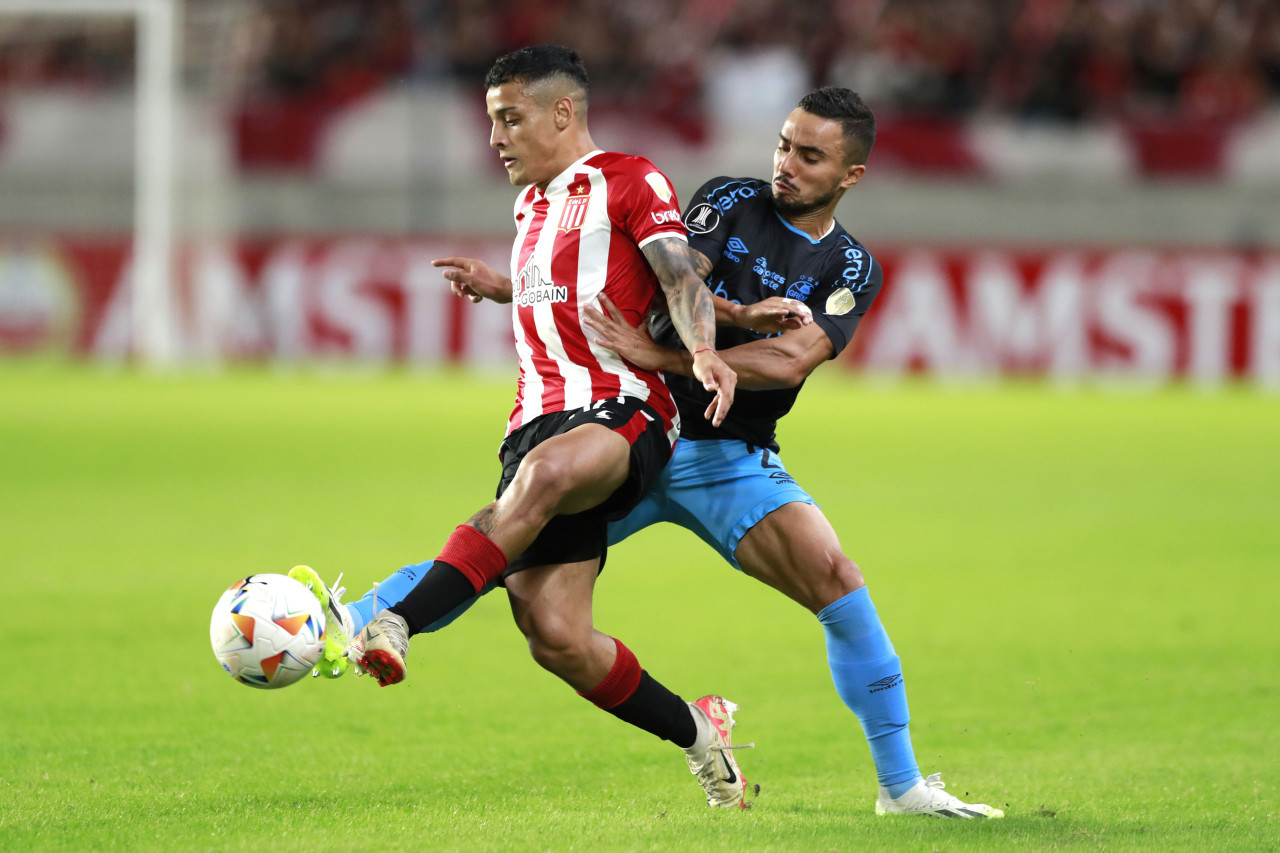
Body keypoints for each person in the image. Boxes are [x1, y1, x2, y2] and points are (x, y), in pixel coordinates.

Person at [302, 85, 1007, 819]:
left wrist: (665, 355)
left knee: (837, 579)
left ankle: (902, 788)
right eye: (783, 144)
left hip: (731, 454)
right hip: (645, 426)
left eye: (809, 154)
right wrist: (542, 299)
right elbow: (672, 276)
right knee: (509, 533)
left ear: (850, 175)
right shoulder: (730, 200)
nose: (786, 164)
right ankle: (347, 619)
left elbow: (794, 359)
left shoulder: (852, 268)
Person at [292, 44, 754, 810]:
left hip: (626, 409)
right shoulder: (529, 205)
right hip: (534, 422)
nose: (496, 137)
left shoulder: (629, 180)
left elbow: (677, 274)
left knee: (543, 480)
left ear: (562, 113)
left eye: (510, 119)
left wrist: (702, 349)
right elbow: (573, 287)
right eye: (492, 121)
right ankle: (701, 734)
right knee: (557, 637)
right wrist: (506, 289)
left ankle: (394, 624)